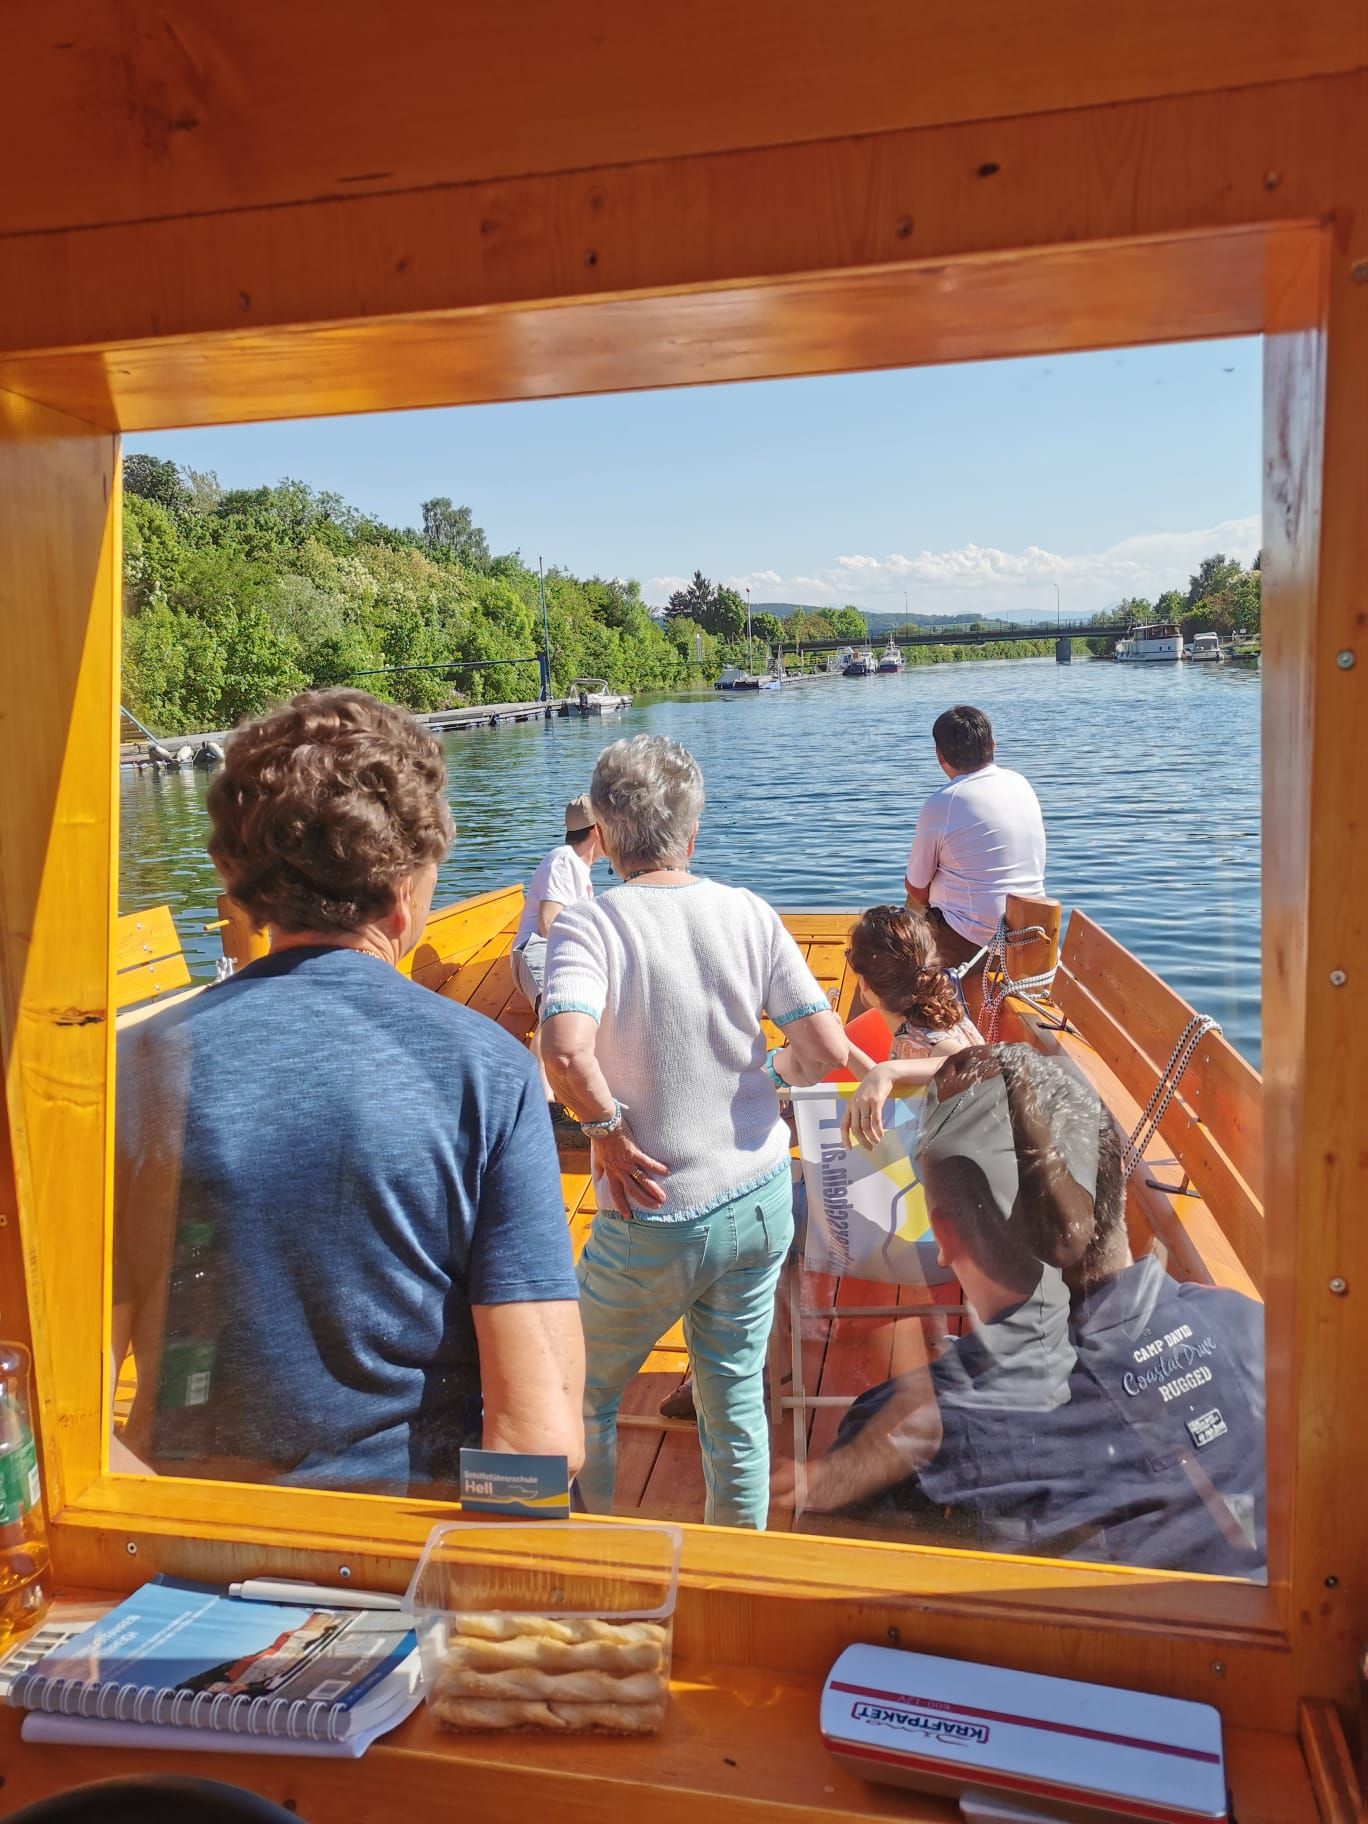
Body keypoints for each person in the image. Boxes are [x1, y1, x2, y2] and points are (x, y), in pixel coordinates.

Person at [113, 688, 585, 1492]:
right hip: (411, 1541)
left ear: (242, 884)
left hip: (179, 1538)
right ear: (404, 895)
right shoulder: (486, 1072)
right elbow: (539, 1440)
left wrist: (184, 1541)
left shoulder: (133, 1070)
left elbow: (59, 1416)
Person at [540, 734, 848, 1529]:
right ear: (693, 831)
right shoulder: (748, 912)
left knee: (576, 1393)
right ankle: (733, 1566)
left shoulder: (590, 926)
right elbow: (826, 1050)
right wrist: (769, 1075)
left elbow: (565, 1050)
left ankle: (590, 1562)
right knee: (733, 1396)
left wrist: (605, 1129)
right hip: (759, 1197)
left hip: (657, 1213)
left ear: (602, 835)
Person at [904, 705, 1046, 972]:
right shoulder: (1020, 783)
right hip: (1030, 934)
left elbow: (917, 889)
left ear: (939, 755)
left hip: (975, 945)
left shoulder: (943, 802)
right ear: (992, 744)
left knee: (888, 942)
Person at [840, 903, 984, 1152]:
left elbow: (970, 1064)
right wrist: (845, 1048)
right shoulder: (929, 1019)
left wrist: (887, 1071)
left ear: (864, 983)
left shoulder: (925, 1039)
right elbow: (900, 1088)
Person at [509, 793, 603, 1118]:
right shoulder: (564, 860)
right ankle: (545, 1107)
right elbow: (548, 922)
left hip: (556, 952)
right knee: (554, 1009)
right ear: (598, 830)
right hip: (538, 949)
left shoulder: (578, 868)